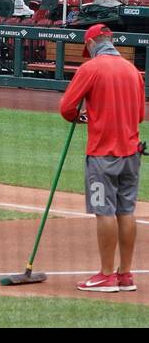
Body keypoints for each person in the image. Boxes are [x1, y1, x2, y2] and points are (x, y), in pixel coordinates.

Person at [59, 24, 146, 292]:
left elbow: (67, 108)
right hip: (132, 153)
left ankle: (106, 275)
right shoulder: (133, 71)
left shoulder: (91, 69)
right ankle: (125, 274)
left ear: (93, 42)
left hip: (102, 154)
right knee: (126, 211)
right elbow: (140, 115)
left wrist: (79, 117)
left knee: (104, 211)